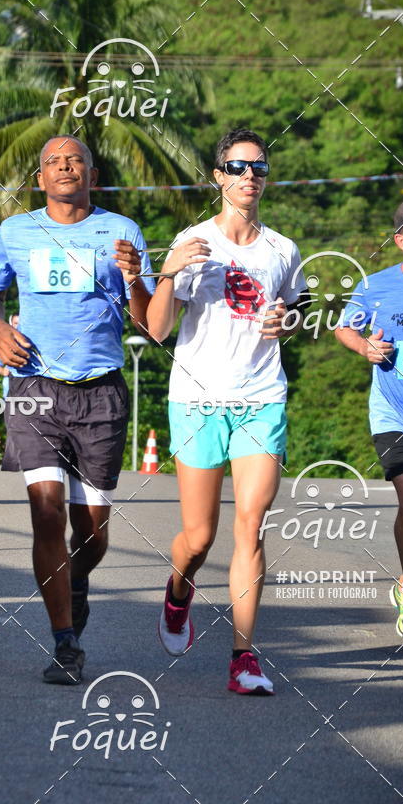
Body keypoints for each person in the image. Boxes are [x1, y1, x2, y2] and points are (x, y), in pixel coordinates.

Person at [0, 135, 154, 685]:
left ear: (93, 176)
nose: (64, 166)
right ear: (40, 179)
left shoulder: (122, 232)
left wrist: (135, 280)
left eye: (75, 159)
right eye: (52, 160)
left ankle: (73, 584)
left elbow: (147, 322)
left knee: (93, 533)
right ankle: (64, 642)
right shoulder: (16, 231)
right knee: (46, 512)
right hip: (33, 388)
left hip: (99, 392)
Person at [146, 128, 306, 695]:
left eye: (259, 168)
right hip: (197, 399)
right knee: (198, 535)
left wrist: (285, 320)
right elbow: (158, 329)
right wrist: (167, 271)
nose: (249, 177)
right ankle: (178, 593)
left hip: (261, 397)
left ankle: (243, 658)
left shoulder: (283, 249)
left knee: (252, 527)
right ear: (218, 176)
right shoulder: (194, 241)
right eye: (238, 167)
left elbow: (296, 308)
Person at [335, 197, 403, 640]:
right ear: (401, 238)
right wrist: (366, 347)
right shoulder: (377, 287)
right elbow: (344, 327)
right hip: (395, 413)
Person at [0, 314, 19, 397]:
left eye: (20, 323)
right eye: (16, 323)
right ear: (11, 324)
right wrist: (4, 371)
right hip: (10, 386)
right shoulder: (5, 342)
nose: (18, 326)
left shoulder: (30, 342)